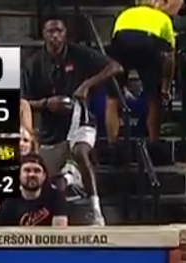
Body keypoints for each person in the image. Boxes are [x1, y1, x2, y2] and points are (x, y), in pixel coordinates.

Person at [21, 15, 121, 224]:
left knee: (80, 151)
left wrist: (87, 84)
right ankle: (66, 189)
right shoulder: (33, 64)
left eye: (60, 31)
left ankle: (96, 210)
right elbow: (24, 103)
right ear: (44, 35)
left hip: (80, 118)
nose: (56, 36)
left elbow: (115, 66)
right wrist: (48, 103)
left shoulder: (79, 53)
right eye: (51, 31)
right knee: (49, 180)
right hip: (50, 130)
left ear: (65, 33)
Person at [109, 0, 178, 139]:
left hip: (121, 41)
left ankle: (112, 144)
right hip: (147, 42)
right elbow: (169, 57)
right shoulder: (163, 18)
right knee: (154, 98)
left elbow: (114, 43)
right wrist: (166, 87)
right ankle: (153, 142)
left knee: (112, 97)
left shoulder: (124, 14)